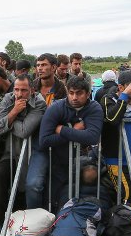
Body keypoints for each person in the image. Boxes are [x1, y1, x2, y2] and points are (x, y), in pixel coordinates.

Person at [34, 77, 103, 212]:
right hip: (57, 161)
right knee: (51, 196)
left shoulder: (94, 108)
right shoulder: (56, 108)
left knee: (76, 195)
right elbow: (44, 140)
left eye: (79, 93)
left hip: (81, 161)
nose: (74, 97)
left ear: (88, 94)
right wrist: (75, 131)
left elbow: (92, 137)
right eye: (71, 93)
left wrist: (63, 130)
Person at [0, 74, 45, 229]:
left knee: (26, 188)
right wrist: (14, 112)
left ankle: (27, 226)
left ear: (32, 90)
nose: (19, 94)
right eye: (16, 89)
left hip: (31, 154)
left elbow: (23, 130)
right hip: (10, 152)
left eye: (24, 90)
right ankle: (0, 223)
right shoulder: (9, 99)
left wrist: (7, 121)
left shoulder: (39, 103)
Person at [99, 70, 131, 203]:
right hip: (117, 160)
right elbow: (112, 118)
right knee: (128, 198)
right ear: (121, 87)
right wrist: (124, 96)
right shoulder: (108, 99)